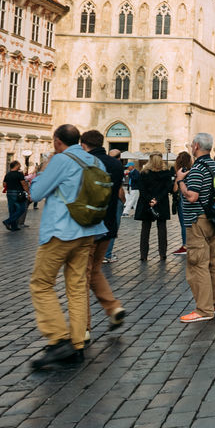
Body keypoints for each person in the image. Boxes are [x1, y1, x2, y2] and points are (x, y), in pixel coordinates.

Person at [27, 124, 110, 369]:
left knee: (41, 284)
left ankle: (58, 339)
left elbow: (36, 193)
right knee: (76, 287)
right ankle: (77, 343)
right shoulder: (95, 162)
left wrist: (43, 169)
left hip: (60, 232)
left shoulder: (61, 160)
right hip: (87, 232)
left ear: (57, 141)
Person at [175, 132, 215, 323]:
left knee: (197, 264)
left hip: (198, 220)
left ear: (196, 146)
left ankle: (204, 309)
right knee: (212, 262)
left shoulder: (197, 168)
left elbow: (192, 196)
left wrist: (180, 180)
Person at [80, 130, 127, 333]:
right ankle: (113, 307)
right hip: (108, 224)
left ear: (84, 145)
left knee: (81, 275)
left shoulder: (86, 163)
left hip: (89, 226)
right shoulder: (116, 164)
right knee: (95, 271)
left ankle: (83, 326)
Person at [136, 153, 174, 260]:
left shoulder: (144, 173)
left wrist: (150, 200)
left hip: (146, 203)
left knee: (145, 229)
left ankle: (143, 255)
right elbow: (167, 189)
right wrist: (157, 199)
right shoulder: (166, 173)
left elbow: (142, 189)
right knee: (162, 229)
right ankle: (163, 253)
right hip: (161, 202)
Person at [170, 151, 192, 255]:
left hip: (182, 200)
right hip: (191, 199)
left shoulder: (179, 172)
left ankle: (185, 245)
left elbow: (175, 189)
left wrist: (178, 179)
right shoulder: (192, 171)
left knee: (184, 224)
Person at [2, 160, 29, 231]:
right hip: (18, 193)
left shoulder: (7, 174)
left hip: (9, 193)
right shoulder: (19, 174)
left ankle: (14, 227)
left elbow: (4, 184)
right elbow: (23, 184)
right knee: (22, 209)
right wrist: (28, 192)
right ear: (16, 165)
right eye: (19, 164)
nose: (20, 166)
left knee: (12, 210)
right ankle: (8, 221)